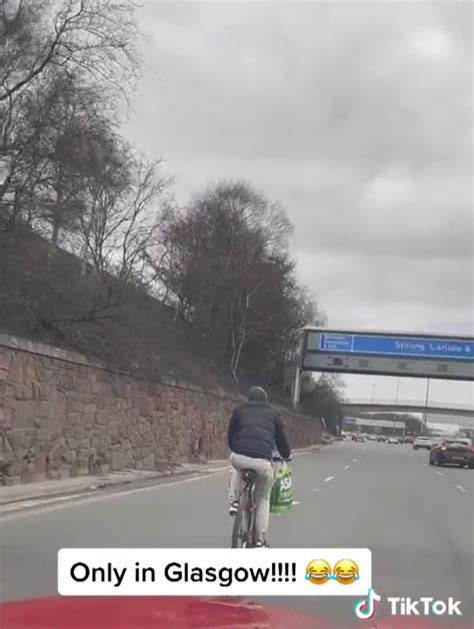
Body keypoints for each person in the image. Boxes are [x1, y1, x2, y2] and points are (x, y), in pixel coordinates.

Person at [227, 386, 291, 547]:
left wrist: (235, 448)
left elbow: (231, 434)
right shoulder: (274, 414)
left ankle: (234, 500)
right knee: (262, 498)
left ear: (248, 398)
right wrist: (286, 454)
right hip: (262, 462)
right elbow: (281, 439)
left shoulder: (239, 410)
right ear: (265, 400)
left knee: (236, 466)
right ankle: (260, 540)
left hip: (239, 456)